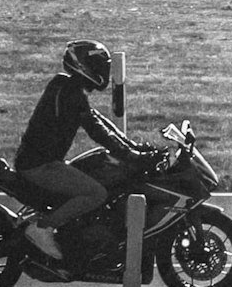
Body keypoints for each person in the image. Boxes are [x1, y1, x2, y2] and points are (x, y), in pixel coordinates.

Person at [14, 39, 155, 263]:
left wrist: (133, 147)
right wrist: (132, 156)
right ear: (84, 66)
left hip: (43, 161)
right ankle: (43, 227)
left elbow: (100, 123)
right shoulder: (71, 93)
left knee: (99, 164)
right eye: (99, 66)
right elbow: (96, 131)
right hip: (41, 165)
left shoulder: (68, 88)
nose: (103, 72)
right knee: (96, 193)